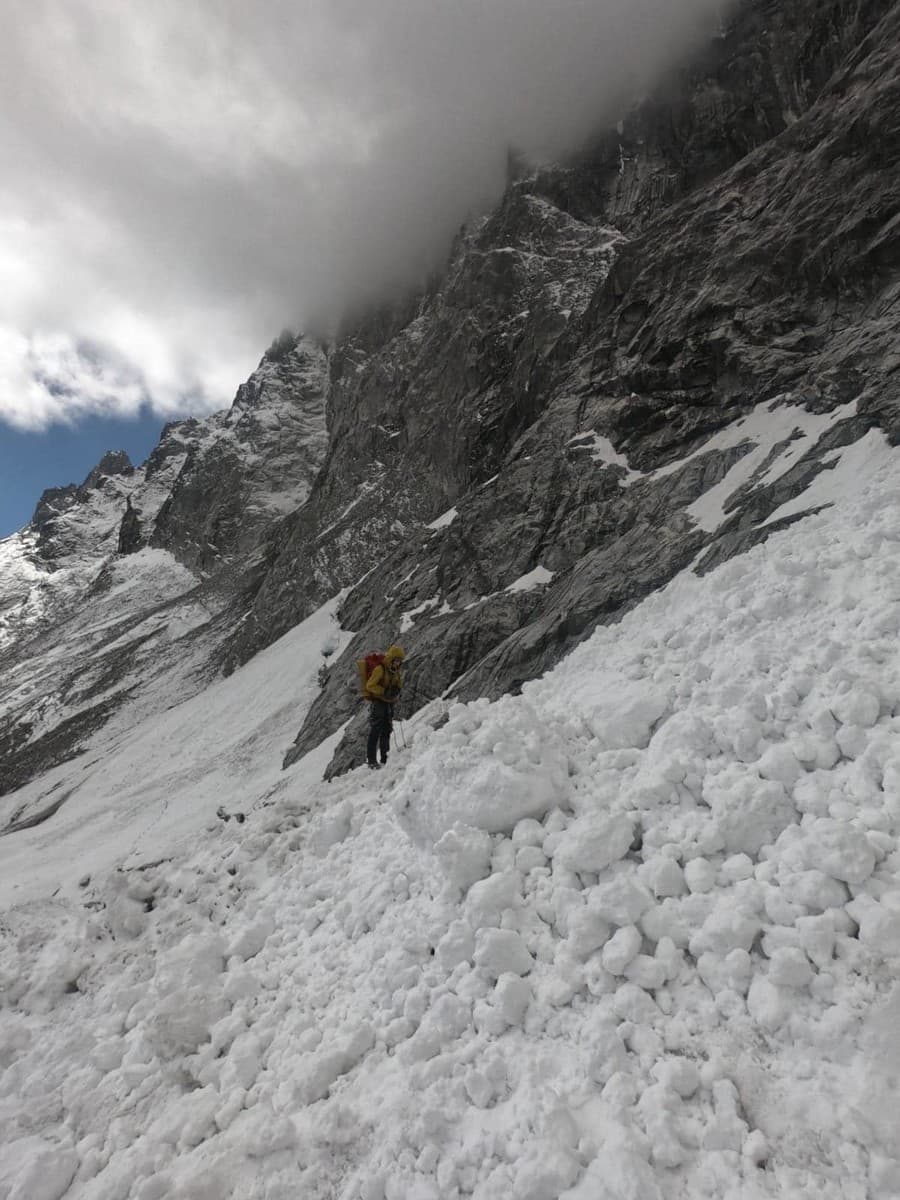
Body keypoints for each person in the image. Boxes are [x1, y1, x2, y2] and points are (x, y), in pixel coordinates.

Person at [364, 644, 405, 768]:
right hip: (378, 703)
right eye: (396, 660)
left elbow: (398, 684)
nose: (398, 663)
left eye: (399, 661)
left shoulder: (395, 672)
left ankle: (384, 759)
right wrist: (384, 691)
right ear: (391, 659)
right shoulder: (380, 670)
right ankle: (371, 761)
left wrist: (397, 690)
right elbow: (370, 685)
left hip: (388, 702)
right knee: (375, 730)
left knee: (386, 730)